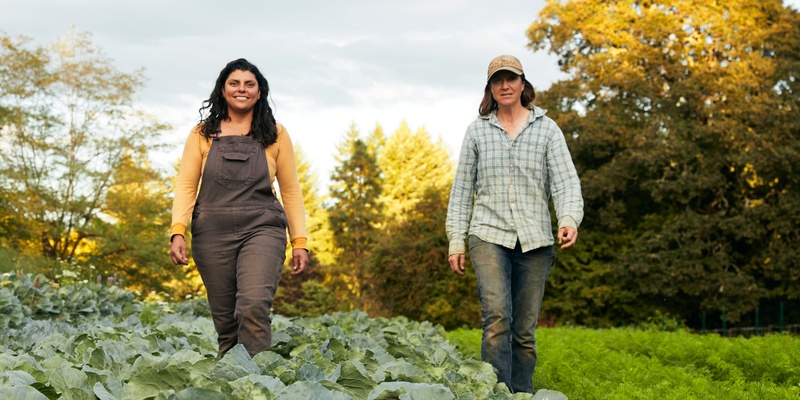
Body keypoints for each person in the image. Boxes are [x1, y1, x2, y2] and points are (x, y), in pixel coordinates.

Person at [446, 55, 583, 393]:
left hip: (536, 239)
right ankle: (494, 393)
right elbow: (462, 190)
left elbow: (565, 183)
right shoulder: (478, 130)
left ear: (523, 84)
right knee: (496, 319)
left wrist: (568, 218)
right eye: (497, 80)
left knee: (524, 331)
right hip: (488, 234)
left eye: (511, 79)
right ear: (490, 88)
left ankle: (521, 392)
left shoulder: (547, 129)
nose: (504, 86)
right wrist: (456, 241)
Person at [169, 58, 309, 358]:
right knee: (226, 324)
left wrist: (300, 241)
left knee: (253, 305)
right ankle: (232, 385)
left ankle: (260, 383)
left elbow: (291, 190)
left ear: (260, 93)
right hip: (211, 233)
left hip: (262, 228)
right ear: (223, 89)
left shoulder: (276, 134)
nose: (241, 89)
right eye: (234, 83)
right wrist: (177, 231)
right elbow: (185, 186)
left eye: (249, 84)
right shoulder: (202, 133)